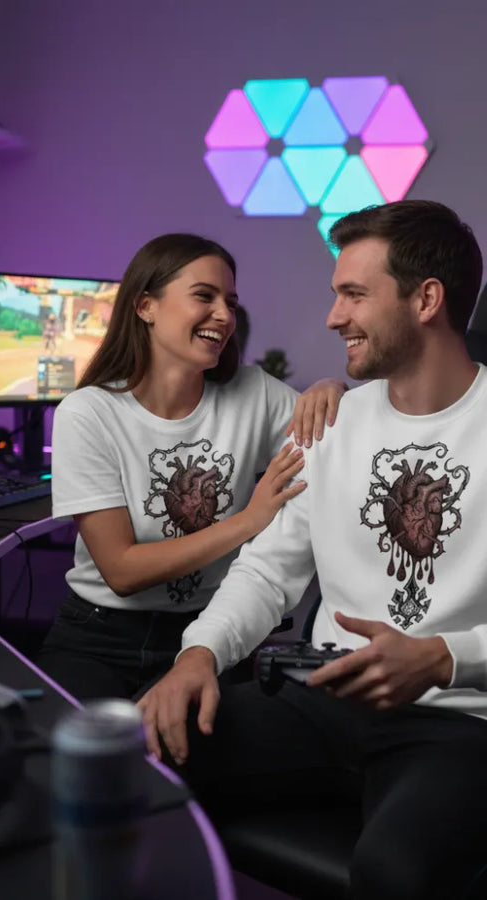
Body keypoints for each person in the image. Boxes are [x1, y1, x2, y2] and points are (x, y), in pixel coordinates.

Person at [138, 202, 487, 900]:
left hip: (458, 725)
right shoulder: (327, 421)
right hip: (322, 697)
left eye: (353, 294)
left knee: (395, 873)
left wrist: (446, 656)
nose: (333, 317)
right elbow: (269, 570)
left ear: (426, 299)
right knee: (126, 765)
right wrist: (198, 654)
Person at [36, 233, 346, 701]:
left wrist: (333, 387)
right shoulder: (87, 413)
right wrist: (248, 522)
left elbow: (337, 439)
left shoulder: (253, 393)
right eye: (204, 296)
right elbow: (121, 571)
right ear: (146, 307)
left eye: (231, 302)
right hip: (101, 639)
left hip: (210, 633)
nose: (224, 315)